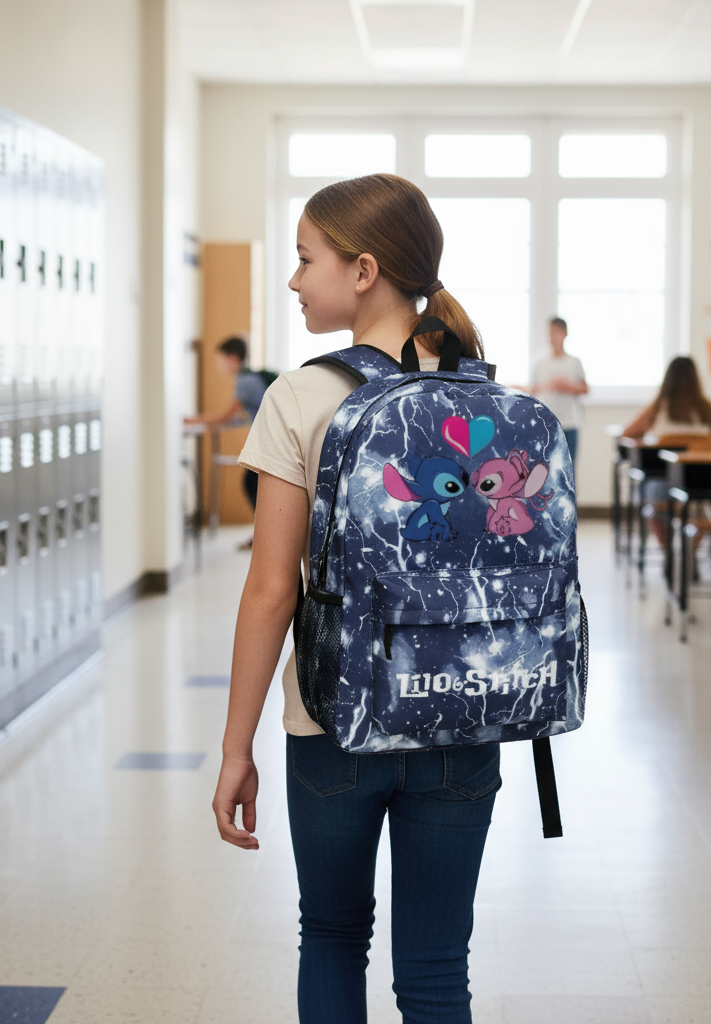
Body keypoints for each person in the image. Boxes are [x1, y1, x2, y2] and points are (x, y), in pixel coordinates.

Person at [211, 173, 501, 1024]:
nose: (296, 280)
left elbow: (271, 590)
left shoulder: (301, 395)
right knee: (439, 966)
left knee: (333, 937)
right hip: (463, 714)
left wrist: (236, 748)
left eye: (307, 259)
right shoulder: (480, 389)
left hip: (336, 722)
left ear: (364, 269)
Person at [623, 355, 711, 547]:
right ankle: (689, 556)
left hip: (661, 483)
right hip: (696, 485)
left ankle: (668, 554)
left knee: (652, 504)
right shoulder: (705, 409)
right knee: (700, 509)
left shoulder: (659, 407)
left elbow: (627, 433)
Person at [184, 336, 270, 546]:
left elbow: (226, 416)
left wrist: (193, 419)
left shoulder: (245, 381)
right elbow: (242, 415)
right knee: (253, 483)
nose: (219, 365)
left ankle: (265, 535)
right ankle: (263, 535)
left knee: (252, 484)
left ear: (233, 358)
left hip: (271, 440)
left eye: (220, 359)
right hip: (270, 438)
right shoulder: (250, 378)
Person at [528, 317, 588, 462]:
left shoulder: (574, 362)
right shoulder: (539, 362)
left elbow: (585, 389)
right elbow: (532, 390)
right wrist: (547, 386)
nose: (552, 337)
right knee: (545, 467)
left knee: (568, 468)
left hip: (569, 423)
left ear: (564, 334)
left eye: (556, 332)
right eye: (549, 333)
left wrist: (567, 387)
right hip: (546, 424)